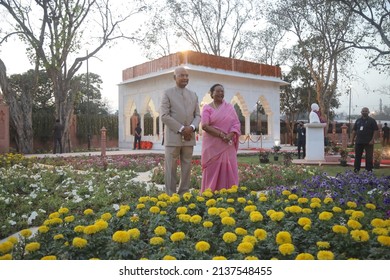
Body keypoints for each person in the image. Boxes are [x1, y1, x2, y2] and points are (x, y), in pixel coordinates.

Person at [160, 66, 201, 195]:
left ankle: (184, 193)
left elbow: (198, 115)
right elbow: (164, 116)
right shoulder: (168, 93)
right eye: (181, 75)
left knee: (187, 168)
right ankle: (170, 195)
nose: (185, 78)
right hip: (173, 138)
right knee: (170, 169)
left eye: (187, 76)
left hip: (189, 138)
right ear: (174, 78)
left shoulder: (193, 95)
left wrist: (192, 128)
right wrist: (182, 129)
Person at [200, 84, 241, 193]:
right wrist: (222, 135)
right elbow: (204, 125)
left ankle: (229, 194)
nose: (220, 93)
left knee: (228, 169)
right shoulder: (207, 108)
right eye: (217, 91)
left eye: (222, 91)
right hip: (212, 146)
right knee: (211, 170)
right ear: (211, 94)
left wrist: (230, 135)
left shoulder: (229, 108)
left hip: (227, 145)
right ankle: (209, 194)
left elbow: (236, 124)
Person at [351, 107, 379, 172]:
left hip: (368, 142)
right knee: (357, 156)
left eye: (366, 111)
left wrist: (372, 140)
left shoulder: (372, 120)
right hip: (359, 141)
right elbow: (354, 131)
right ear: (361, 112)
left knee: (369, 156)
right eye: (363, 111)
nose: (364, 112)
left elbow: (375, 131)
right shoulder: (358, 120)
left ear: (368, 112)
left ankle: (369, 169)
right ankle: (356, 169)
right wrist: (352, 141)